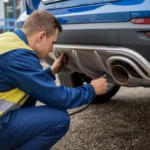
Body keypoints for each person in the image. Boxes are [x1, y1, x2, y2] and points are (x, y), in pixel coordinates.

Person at [0, 10, 107, 150]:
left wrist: (51, 71)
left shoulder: (8, 41)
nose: (51, 49)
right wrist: (91, 90)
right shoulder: (19, 57)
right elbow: (58, 97)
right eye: (52, 43)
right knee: (59, 119)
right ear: (41, 36)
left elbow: (28, 80)